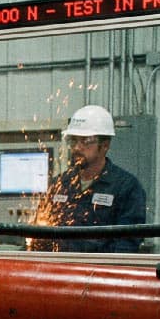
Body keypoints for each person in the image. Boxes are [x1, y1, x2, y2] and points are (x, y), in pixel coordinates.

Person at [30, 105, 146, 252]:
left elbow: (126, 246)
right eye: (73, 141)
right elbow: (39, 234)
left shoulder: (126, 188)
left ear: (105, 145)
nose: (77, 148)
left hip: (99, 272)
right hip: (59, 270)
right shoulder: (60, 183)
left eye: (85, 141)